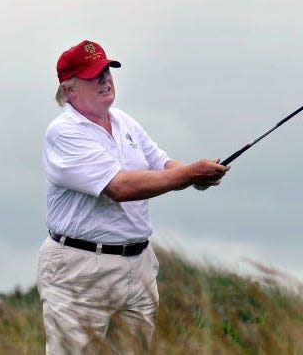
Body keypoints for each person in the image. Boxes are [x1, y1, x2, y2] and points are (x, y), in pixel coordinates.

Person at [37, 39, 229, 353]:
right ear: (70, 90)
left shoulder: (124, 122)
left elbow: (162, 164)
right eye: (93, 75)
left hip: (137, 265)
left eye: (107, 70)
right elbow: (119, 188)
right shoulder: (64, 132)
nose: (104, 79)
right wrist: (189, 174)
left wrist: (200, 175)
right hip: (80, 267)